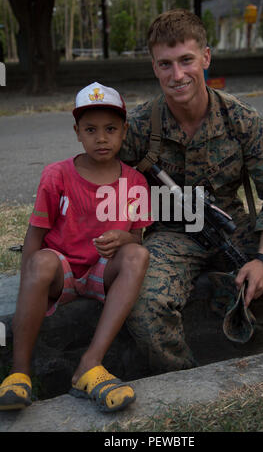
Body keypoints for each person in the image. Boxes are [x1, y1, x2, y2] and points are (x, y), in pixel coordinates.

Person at [119, 9, 263, 375]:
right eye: (165, 64)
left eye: (186, 60)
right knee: (142, 303)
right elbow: (108, 191)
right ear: (154, 67)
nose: (178, 75)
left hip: (231, 225)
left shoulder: (244, 122)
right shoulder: (136, 128)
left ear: (206, 57)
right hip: (170, 236)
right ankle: (186, 382)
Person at [0, 82, 152, 412]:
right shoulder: (57, 176)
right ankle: (19, 374)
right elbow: (35, 234)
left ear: (124, 131)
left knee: (138, 255)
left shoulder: (135, 182)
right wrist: (29, 281)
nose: (101, 138)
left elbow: (137, 238)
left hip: (102, 270)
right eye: (91, 129)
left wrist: (124, 238)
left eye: (111, 129)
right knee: (40, 263)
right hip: (62, 272)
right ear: (77, 132)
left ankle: (90, 365)